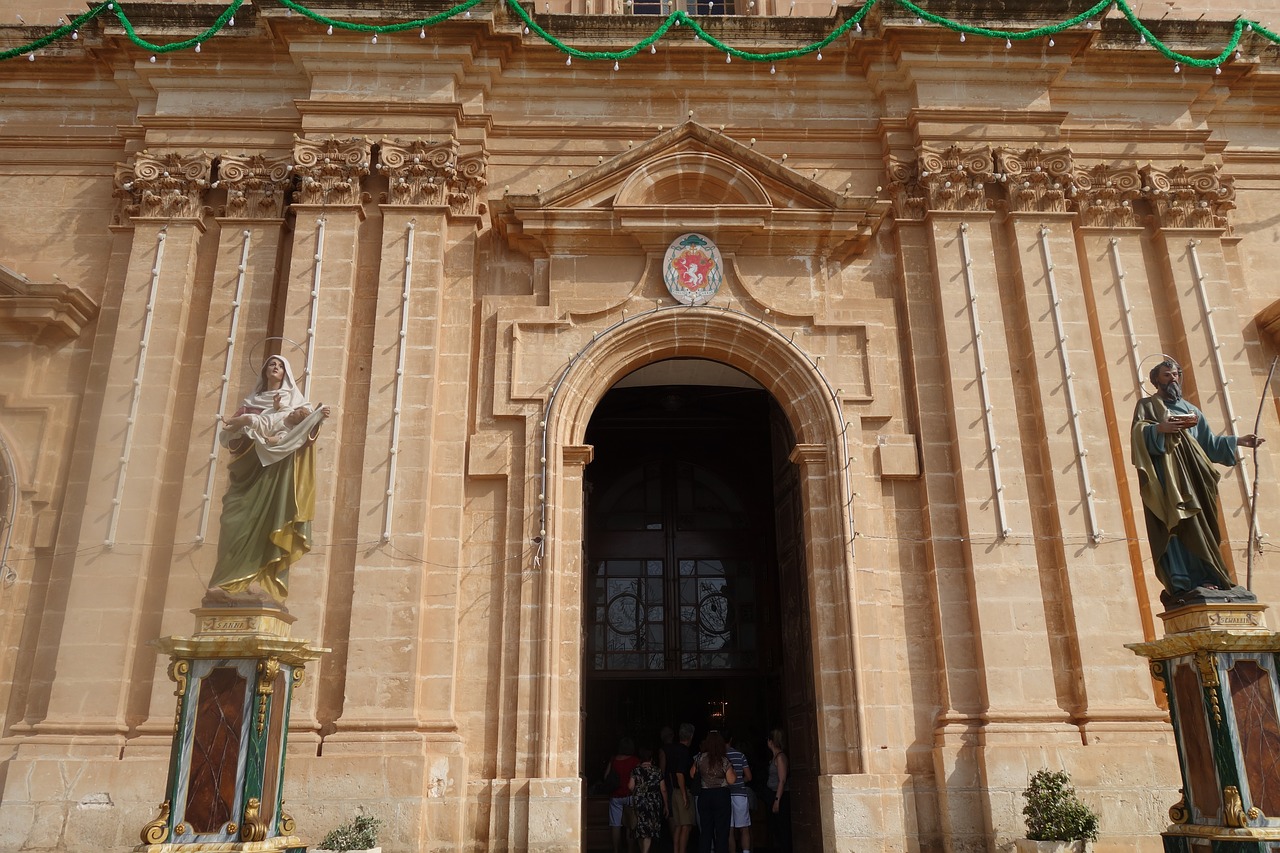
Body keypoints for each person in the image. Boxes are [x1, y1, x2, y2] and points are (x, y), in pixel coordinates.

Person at [1131, 358, 1263, 606]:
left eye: (1175, 374)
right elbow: (1139, 433)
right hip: (1169, 479)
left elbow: (1209, 445)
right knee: (1176, 524)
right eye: (1166, 375)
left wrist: (1239, 441)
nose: (1172, 379)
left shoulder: (1193, 410)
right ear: (1156, 380)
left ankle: (1207, 576)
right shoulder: (1147, 406)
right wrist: (1159, 429)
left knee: (1202, 526)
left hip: (1196, 478)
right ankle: (1182, 582)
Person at [209, 355, 330, 603]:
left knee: (268, 524)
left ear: (286, 372)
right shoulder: (250, 402)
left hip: (275, 476)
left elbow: (303, 429)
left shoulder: (294, 401)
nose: (275, 367)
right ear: (264, 371)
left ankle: (258, 582)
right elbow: (231, 438)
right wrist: (253, 427)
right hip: (249, 471)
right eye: (271, 364)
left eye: (280, 365)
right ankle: (225, 583)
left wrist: (317, 416)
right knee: (233, 520)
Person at [690, 731, 735, 853]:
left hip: (705, 795)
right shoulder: (724, 760)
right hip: (721, 796)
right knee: (721, 831)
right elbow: (731, 780)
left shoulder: (699, 758)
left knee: (705, 831)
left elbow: (692, 773)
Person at [663, 723, 695, 853]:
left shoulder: (672, 749)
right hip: (682, 791)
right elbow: (680, 773)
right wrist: (684, 795)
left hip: (674, 791)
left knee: (678, 826)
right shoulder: (684, 751)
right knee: (686, 826)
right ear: (691, 736)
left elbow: (671, 772)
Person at [629, 747, 668, 853]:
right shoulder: (657, 771)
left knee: (641, 827)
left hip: (639, 802)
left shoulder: (636, 770)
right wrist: (666, 805)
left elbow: (630, 786)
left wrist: (639, 790)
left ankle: (643, 850)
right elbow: (663, 789)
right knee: (649, 830)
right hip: (653, 803)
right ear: (651, 758)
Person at [605, 738, 641, 853]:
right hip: (630, 795)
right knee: (630, 825)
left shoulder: (614, 760)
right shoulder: (635, 761)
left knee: (615, 825)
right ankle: (630, 850)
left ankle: (616, 850)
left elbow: (606, 777)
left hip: (615, 796)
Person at [725, 732, 753, 853]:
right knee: (744, 828)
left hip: (725, 795)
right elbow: (749, 777)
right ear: (731, 739)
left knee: (729, 830)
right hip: (740, 795)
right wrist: (741, 780)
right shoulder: (740, 755)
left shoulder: (720, 756)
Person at [765, 729, 791, 853]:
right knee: (776, 828)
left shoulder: (780, 757)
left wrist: (777, 800)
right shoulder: (776, 757)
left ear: (770, 741)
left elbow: (782, 780)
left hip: (779, 795)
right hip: (774, 794)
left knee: (782, 828)